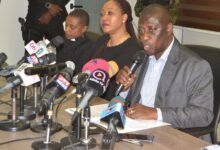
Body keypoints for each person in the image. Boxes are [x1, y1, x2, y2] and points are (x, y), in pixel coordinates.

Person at [116, 4, 213, 129]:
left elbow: (203, 114)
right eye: (141, 30)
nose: (144, 37)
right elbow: (130, 102)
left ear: (168, 29)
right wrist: (124, 89)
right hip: (136, 130)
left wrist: (156, 114)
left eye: (151, 30)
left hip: (176, 136)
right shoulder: (140, 58)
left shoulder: (195, 66)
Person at [83, 0, 141, 100]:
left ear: (124, 18)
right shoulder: (102, 40)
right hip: (91, 98)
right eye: (102, 14)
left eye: (110, 13)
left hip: (112, 105)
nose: (104, 18)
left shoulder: (134, 49)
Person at [56, 9, 94, 74]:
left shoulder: (89, 48)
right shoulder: (60, 40)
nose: (66, 30)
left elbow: (78, 72)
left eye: (72, 27)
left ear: (84, 29)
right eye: (66, 25)